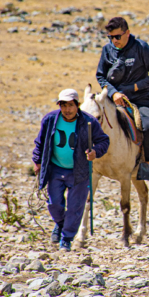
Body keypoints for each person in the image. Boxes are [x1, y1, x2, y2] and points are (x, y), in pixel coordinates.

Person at [32, 89, 109, 251]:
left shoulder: (89, 122)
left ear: (77, 105)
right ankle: (60, 224)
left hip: (79, 171)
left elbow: (103, 141)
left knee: (75, 207)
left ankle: (66, 238)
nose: (67, 109)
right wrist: (37, 161)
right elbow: (40, 142)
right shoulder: (50, 119)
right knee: (54, 204)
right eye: (63, 105)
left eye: (70, 105)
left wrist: (95, 152)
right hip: (55, 168)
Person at [96, 16, 149, 181]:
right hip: (113, 98)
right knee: (90, 118)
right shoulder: (107, 50)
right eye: (110, 37)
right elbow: (100, 76)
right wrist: (113, 93)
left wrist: (135, 87)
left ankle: (146, 163)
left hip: (139, 99)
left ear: (127, 33)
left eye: (117, 37)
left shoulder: (142, 48)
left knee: (148, 126)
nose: (114, 40)